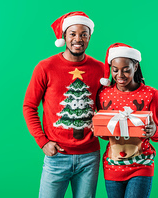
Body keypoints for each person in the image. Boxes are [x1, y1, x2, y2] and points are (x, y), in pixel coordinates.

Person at [23, 11, 104, 198]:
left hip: (89, 156)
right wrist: (42, 142)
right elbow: (29, 106)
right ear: (64, 36)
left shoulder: (99, 68)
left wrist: (101, 121)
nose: (78, 39)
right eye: (73, 34)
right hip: (56, 156)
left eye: (84, 34)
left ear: (89, 37)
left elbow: (105, 105)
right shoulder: (45, 67)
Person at [97, 43, 158, 198]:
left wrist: (154, 131)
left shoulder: (151, 94)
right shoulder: (104, 94)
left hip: (141, 164)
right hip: (113, 165)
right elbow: (106, 135)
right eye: (115, 70)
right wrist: (99, 129)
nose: (120, 75)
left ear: (135, 66)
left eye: (126, 69)